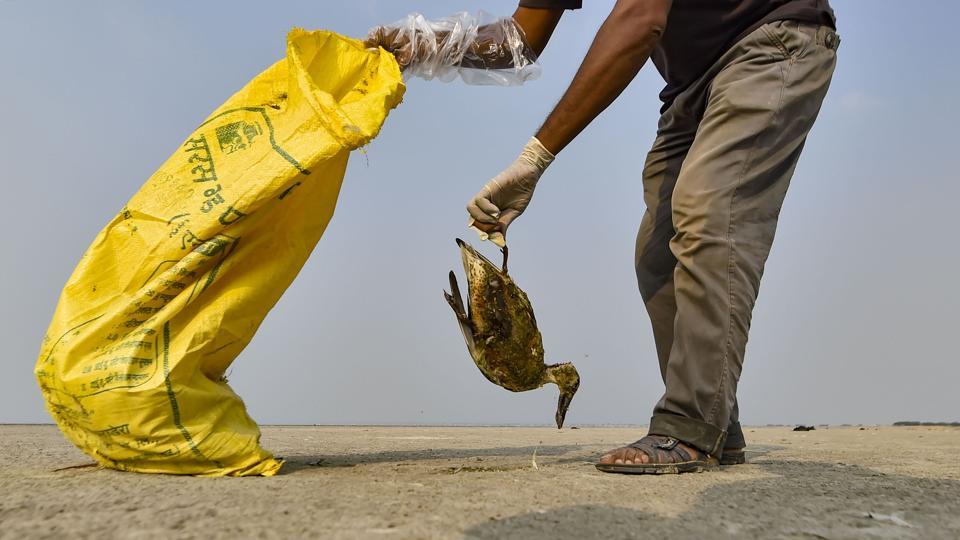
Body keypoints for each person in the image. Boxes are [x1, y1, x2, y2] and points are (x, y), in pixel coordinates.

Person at [367, 0, 839, 474]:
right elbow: (519, 38)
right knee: (657, 255)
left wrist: (534, 159)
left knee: (708, 216)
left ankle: (689, 424)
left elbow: (640, 19)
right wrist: (424, 43)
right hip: (691, 83)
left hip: (771, 43)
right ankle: (717, 423)